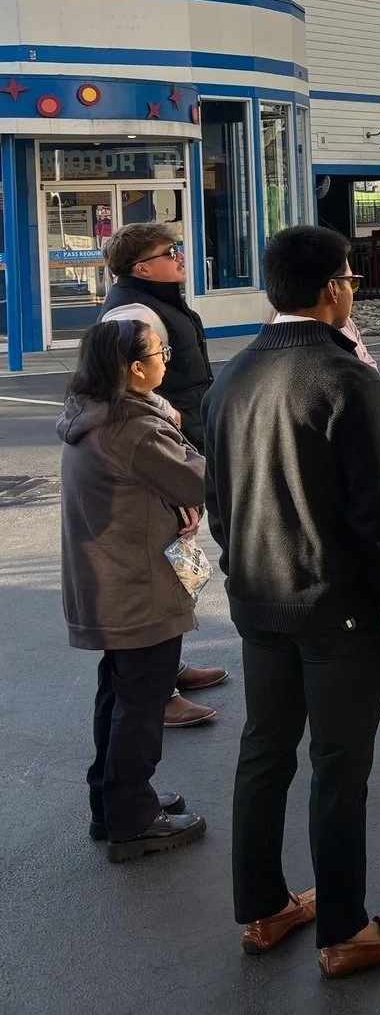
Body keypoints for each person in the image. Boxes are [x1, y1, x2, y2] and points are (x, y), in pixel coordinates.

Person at [204, 225, 380, 978]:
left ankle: (264, 906)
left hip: (257, 597)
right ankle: (345, 927)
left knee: (264, 751)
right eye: (351, 279)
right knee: (339, 765)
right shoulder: (347, 378)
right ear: (332, 287)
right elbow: (377, 509)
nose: (353, 290)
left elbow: (217, 502)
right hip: (337, 606)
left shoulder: (231, 376)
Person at [58, 317, 208, 862]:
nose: (167, 359)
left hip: (109, 579)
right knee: (141, 705)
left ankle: (112, 804)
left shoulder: (92, 412)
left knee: (118, 695)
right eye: (160, 351)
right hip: (136, 584)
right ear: (135, 369)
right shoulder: (136, 427)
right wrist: (175, 425)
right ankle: (132, 817)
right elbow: (197, 479)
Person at [100, 223, 226, 725]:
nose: (180, 257)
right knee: (163, 566)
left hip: (177, 442)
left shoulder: (157, 300)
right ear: (141, 268)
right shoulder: (133, 311)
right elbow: (124, 385)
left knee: (179, 562)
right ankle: (158, 693)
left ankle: (169, 670)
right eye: (169, 252)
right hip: (157, 453)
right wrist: (170, 424)